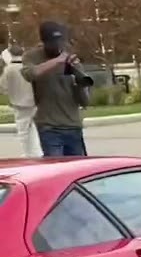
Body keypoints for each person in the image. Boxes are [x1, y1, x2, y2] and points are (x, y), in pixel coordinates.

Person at [22, 21, 92, 157]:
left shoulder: (71, 58)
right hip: (49, 126)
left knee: (78, 169)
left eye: (60, 41)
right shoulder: (32, 56)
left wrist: (80, 81)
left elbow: (84, 101)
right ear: (43, 41)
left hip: (73, 125)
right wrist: (58, 61)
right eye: (52, 42)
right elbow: (30, 74)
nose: (57, 45)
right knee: (56, 168)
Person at [1, 45, 41, 158]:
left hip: (19, 104)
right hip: (34, 102)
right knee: (34, 128)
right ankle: (37, 151)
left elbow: (3, 87)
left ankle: (28, 153)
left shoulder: (8, 69)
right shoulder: (28, 66)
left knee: (23, 131)